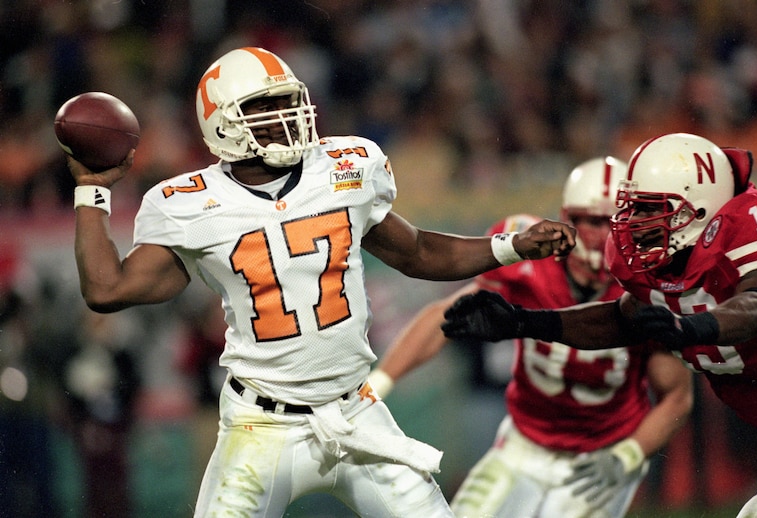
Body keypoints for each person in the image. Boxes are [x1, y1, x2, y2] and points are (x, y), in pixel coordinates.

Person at [64, 46, 577, 517]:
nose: (288, 119)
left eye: (290, 102)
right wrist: (91, 191)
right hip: (259, 425)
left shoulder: (343, 167)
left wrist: (509, 248)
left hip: (355, 412)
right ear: (223, 125)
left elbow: (417, 252)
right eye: (266, 109)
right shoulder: (189, 203)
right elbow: (107, 290)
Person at [441, 132, 757, 517]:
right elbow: (619, 319)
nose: (634, 222)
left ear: (696, 211)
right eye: (633, 208)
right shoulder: (657, 268)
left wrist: (691, 329)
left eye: (649, 208)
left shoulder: (748, 224)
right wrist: (521, 321)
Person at [369, 157, 693, 518]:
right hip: (524, 444)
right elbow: (445, 318)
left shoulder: (645, 287)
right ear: (567, 218)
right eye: (590, 219)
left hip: (602, 452)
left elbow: (677, 395)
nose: (602, 234)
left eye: (612, 219)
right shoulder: (531, 256)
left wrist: (627, 455)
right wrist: (378, 384)